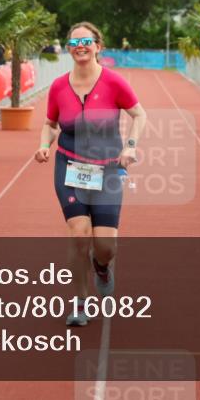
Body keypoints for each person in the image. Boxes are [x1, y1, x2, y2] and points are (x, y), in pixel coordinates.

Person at [35, 22, 146, 327]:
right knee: (79, 235)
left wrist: (131, 146)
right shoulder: (59, 86)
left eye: (86, 41)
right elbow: (50, 123)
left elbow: (139, 114)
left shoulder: (114, 82)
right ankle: (80, 303)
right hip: (69, 167)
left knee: (105, 247)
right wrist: (44, 145)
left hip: (108, 168)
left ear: (98, 46)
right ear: (69, 48)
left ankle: (102, 267)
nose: (80, 46)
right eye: (74, 42)